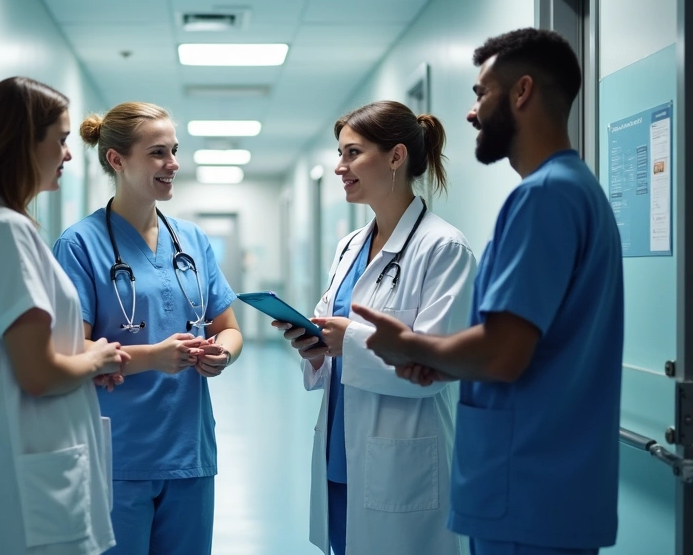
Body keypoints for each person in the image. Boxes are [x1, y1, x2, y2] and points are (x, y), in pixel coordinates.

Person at [353, 29, 623, 555]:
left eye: (481, 94)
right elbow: (539, 344)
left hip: (523, 486)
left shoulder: (542, 199)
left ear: (521, 92)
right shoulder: (579, 190)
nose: (472, 114)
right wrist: (446, 361)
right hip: (556, 486)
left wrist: (410, 347)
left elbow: (503, 354)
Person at [0, 76, 128, 555]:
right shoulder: (4, 233)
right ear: (24, 143)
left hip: (12, 477)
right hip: (20, 496)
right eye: (60, 140)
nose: (67, 154)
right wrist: (96, 360)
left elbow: (29, 353)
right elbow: (38, 373)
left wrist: (85, 357)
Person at [274, 100, 474, 555]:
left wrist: (351, 343)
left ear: (396, 157)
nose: (339, 166)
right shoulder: (350, 245)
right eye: (340, 153)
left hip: (402, 457)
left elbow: (437, 364)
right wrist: (314, 347)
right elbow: (332, 333)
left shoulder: (443, 248)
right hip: (341, 451)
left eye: (352, 153)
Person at [53, 101, 243, 555]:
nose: (173, 163)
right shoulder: (79, 245)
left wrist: (225, 352)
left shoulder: (192, 241)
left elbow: (228, 326)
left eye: (174, 151)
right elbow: (73, 352)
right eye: (158, 152)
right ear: (117, 160)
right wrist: (153, 358)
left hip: (189, 450)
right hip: (119, 453)